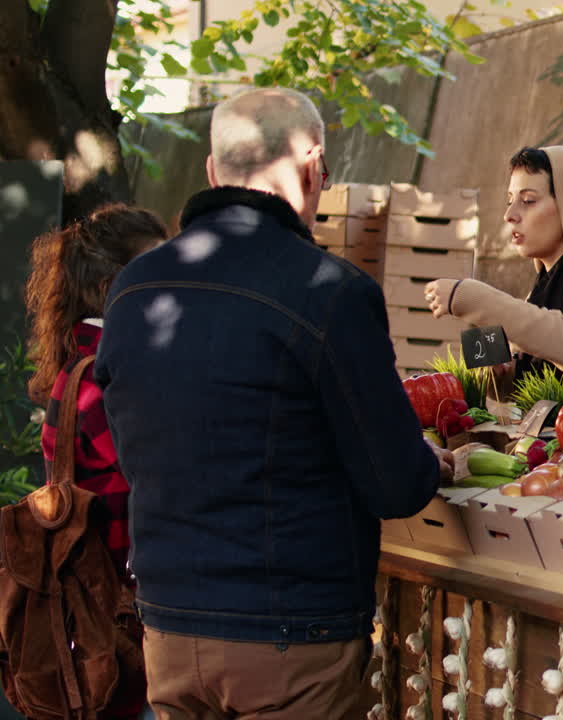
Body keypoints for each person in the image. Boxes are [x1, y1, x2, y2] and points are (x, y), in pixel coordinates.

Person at [94, 88, 440, 719]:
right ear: (313, 166)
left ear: (210, 171)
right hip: (291, 634)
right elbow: (396, 485)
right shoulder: (330, 291)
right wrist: (435, 461)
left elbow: (130, 445)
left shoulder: (133, 288)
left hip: (168, 626)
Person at [24, 202, 168, 719]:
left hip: (108, 614)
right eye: (158, 267)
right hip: (116, 617)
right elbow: (162, 470)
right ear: (116, 283)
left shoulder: (94, 360)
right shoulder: (105, 374)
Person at [422, 146, 563, 382]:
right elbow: (534, 373)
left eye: (528, 200)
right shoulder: (541, 289)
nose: (509, 214)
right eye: (510, 200)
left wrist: (475, 298)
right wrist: (500, 373)